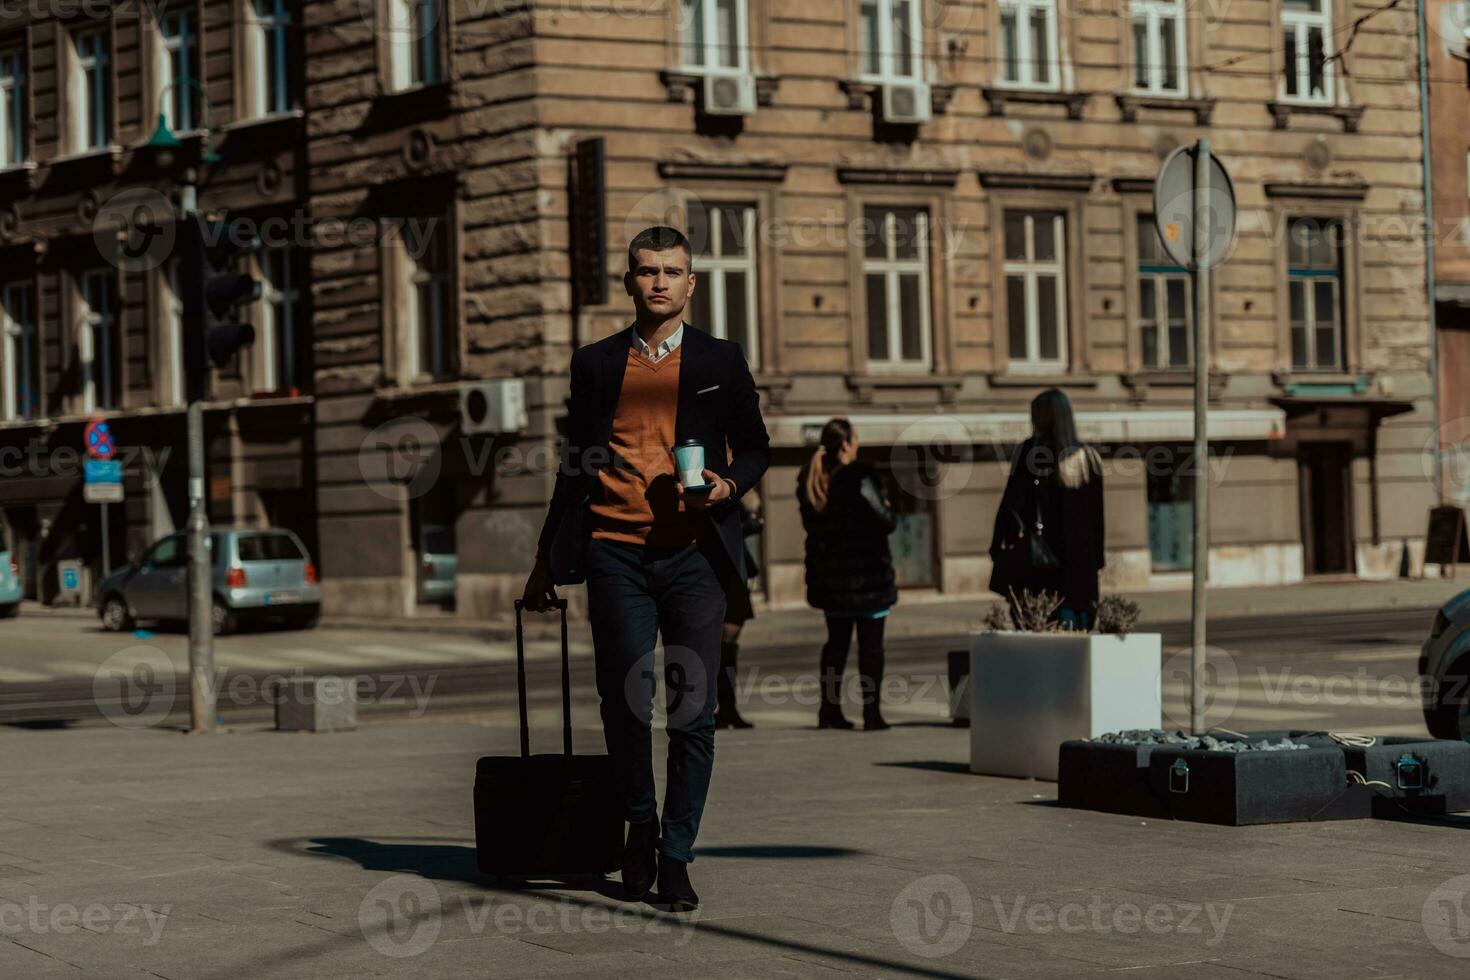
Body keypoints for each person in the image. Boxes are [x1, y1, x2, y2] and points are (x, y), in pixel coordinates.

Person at [522, 226, 770, 913]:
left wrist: (726, 487)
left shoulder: (722, 358)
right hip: (614, 552)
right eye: (646, 271)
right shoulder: (596, 363)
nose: (659, 281)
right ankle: (639, 826)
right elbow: (575, 464)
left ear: (692, 284)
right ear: (629, 283)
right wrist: (545, 558)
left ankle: (677, 854)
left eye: (672, 271)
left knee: (693, 713)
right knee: (626, 702)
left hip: (695, 556)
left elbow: (754, 448)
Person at [796, 418, 898, 732]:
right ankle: (872, 714)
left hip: (831, 580)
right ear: (845, 445)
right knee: (871, 647)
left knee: (836, 645)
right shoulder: (859, 476)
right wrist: (888, 507)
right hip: (866, 578)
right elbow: (886, 520)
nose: (857, 445)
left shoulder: (812, 479)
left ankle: (829, 711)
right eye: (855, 440)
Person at [988, 388, 1105, 629]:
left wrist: (998, 548)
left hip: (1039, 567)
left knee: (1037, 641)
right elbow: (1097, 520)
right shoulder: (1088, 458)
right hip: (1079, 570)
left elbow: (1011, 507)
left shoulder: (1029, 453)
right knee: (1077, 645)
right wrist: (1096, 561)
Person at [715, 490, 762, 729]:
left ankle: (727, 707)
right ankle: (725, 707)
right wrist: (753, 522)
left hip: (733, 571)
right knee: (725, 646)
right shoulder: (723, 487)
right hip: (729, 572)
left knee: (727, 646)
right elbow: (729, 529)